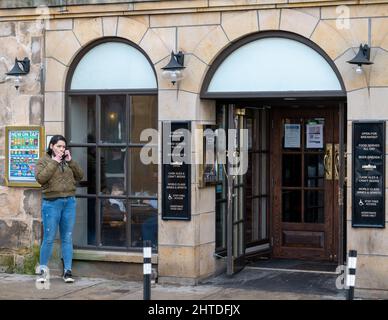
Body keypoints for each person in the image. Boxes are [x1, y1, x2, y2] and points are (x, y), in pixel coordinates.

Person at [34, 135, 83, 283]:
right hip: (51, 203)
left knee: (67, 237)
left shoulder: (68, 162)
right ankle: (42, 271)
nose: (62, 149)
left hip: (69, 202)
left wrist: (70, 161)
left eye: (63, 147)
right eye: (59, 146)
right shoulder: (43, 161)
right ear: (51, 146)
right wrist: (54, 162)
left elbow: (80, 176)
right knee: (49, 238)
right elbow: (40, 178)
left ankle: (67, 271)